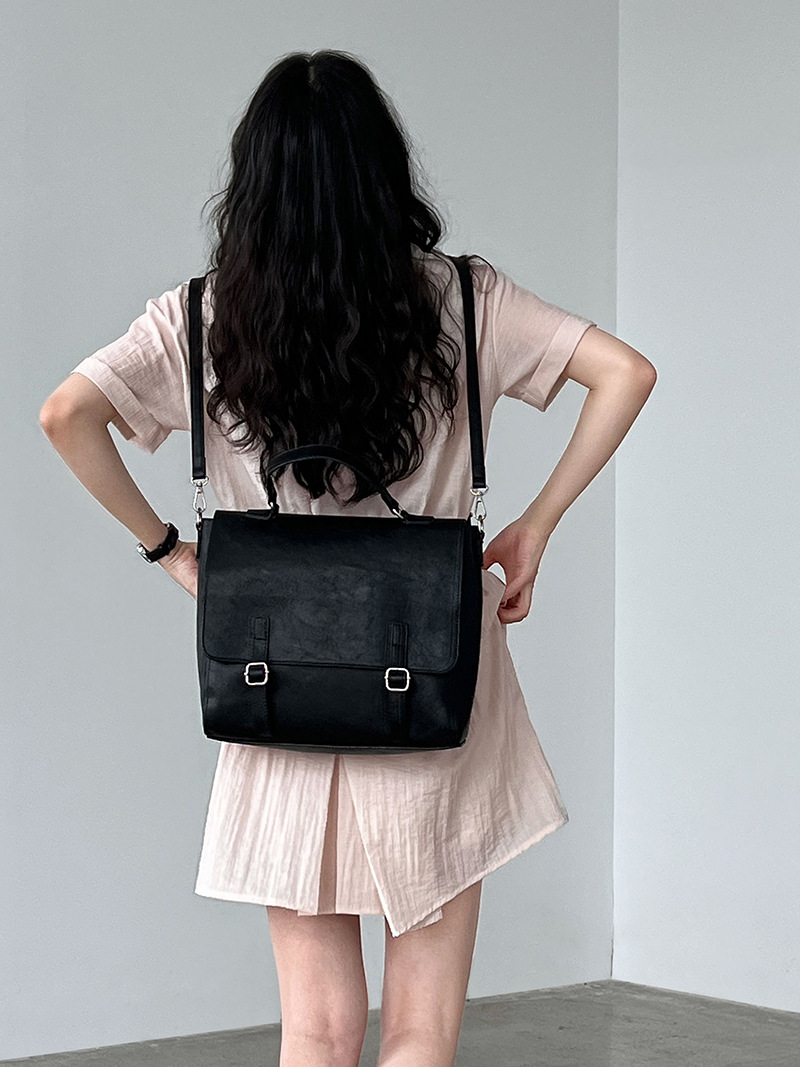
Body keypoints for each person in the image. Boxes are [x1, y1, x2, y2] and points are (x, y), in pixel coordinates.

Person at [39, 48, 656, 1067]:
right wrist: (536, 524)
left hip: (278, 686)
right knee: (420, 1033)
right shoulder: (465, 300)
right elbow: (625, 372)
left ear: (253, 184)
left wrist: (168, 548)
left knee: (316, 1031)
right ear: (384, 171)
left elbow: (67, 414)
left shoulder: (202, 316)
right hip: (434, 687)